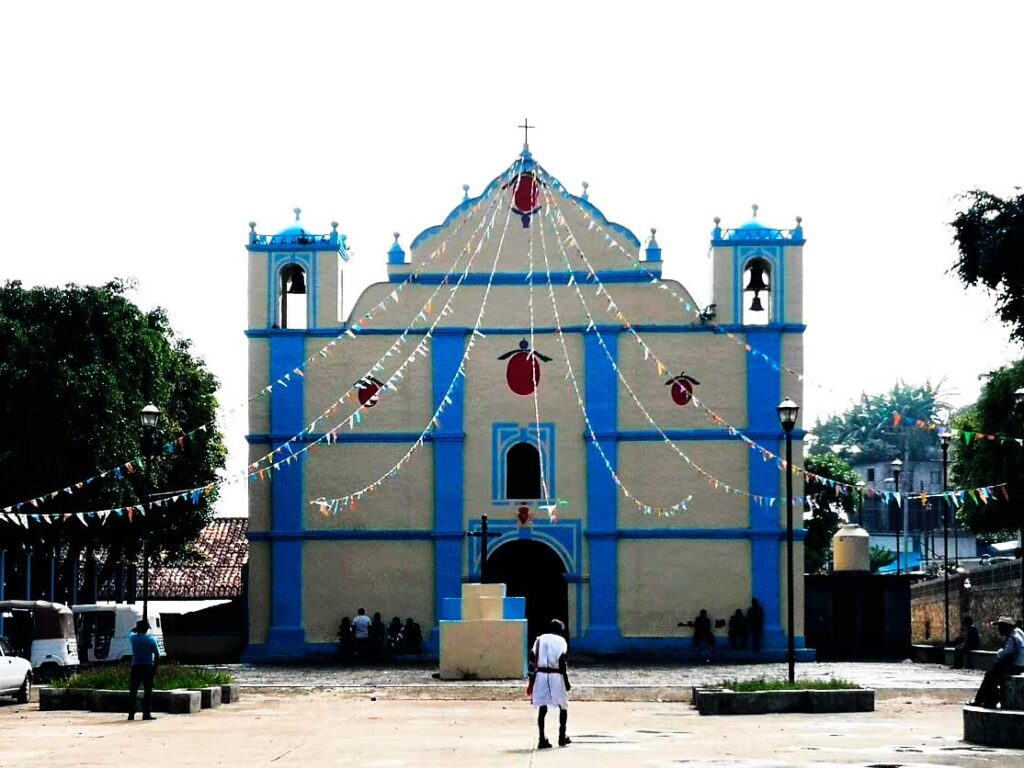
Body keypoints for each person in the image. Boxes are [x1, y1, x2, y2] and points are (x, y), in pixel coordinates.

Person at [528, 619, 571, 749]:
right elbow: (562, 660)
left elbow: (532, 656)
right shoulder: (561, 641)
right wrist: (566, 680)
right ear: (559, 631)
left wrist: (531, 678)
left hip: (541, 675)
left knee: (542, 707)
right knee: (563, 706)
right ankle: (562, 736)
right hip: (556, 675)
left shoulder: (539, 640)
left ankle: (542, 738)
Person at [969, 616, 1024, 708]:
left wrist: (999, 652)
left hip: (1017, 666)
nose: (998, 630)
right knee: (993, 673)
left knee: (990, 675)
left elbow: (1005, 653)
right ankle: (988, 699)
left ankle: (983, 700)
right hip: (1020, 665)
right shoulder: (1018, 632)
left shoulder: (1012, 637)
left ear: (1006, 627)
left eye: (1000, 627)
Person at [127, 619, 159, 721]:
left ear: (138, 628)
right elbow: (157, 655)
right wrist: (155, 668)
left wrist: (136, 628)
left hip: (136, 667)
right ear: (147, 629)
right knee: (148, 691)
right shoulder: (151, 639)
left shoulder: (133, 638)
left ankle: (131, 713)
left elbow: (131, 631)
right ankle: (146, 713)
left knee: (133, 691)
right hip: (148, 667)